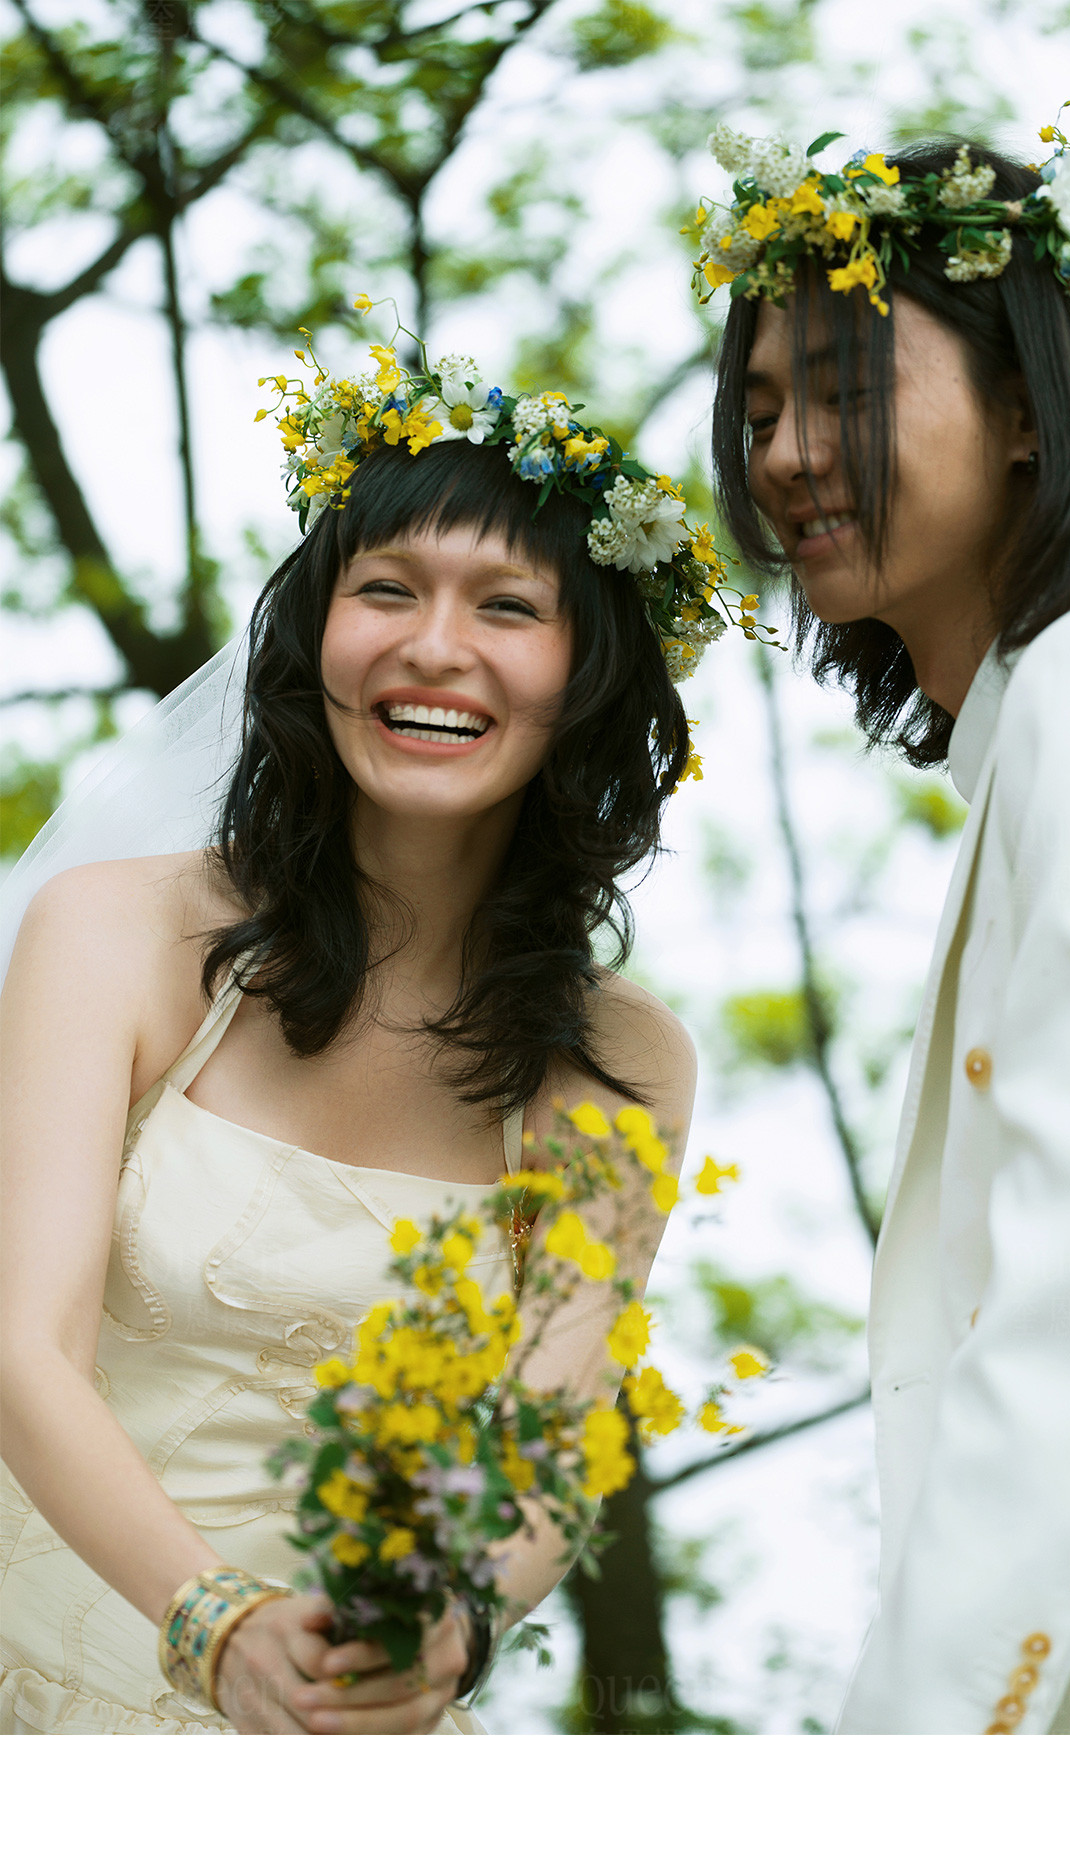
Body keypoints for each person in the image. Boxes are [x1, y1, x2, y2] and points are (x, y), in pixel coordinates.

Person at [0, 337, 742, 1733]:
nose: (433, 645)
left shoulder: (624, 1066)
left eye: (508, 606)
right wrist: (214, 1624)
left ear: (586, 676)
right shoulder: (111, 935)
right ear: (313, 637)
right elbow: (18, 1342)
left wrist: (445, 1627)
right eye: (386, 589)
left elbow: (546, 1437)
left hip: (357, 1724)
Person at [701, 123, 1070, 1732]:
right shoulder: (1065, 714)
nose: (784, 451)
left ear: (1029, 410)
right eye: (759, 409)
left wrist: (918, 1748)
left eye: (845, 390)